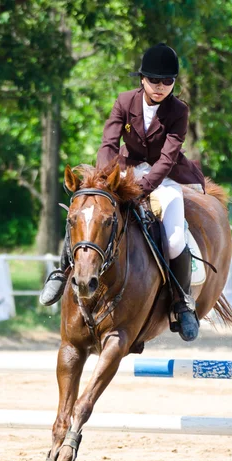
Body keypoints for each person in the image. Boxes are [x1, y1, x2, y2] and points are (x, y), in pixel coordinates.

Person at [40, 43, 205, 342]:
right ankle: (61, 271)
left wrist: (142, 188)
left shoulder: (179, 111)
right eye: (154, 80)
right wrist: (104, 181)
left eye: (168, 82)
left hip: (163, 178)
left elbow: (167, 158)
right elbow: (108, 143)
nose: (161, 87)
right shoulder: (124, 101)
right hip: (124, 171)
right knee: (88, 214)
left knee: (175, 238)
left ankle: (182, 305)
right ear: (142, 79)